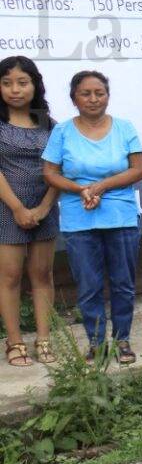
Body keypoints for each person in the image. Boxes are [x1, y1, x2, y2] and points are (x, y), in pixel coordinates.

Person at [41, 71, 142, 363]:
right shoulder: (62, 131)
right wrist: (80, 190)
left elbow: (138, 169)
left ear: (107, 95)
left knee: (123, 283)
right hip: (79, 217)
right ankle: (96, 343)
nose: (93, 98)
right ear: (74, 98)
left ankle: (122, 340)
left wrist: (101, 186)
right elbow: (49, 173)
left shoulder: (124, 127)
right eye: (85, 93)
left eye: (99, 92)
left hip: (121, 216)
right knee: (88, 285)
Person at [0, 56, 59, 367]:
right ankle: (14, 341)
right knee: (9, 277)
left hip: (45, 209)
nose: (15, 90)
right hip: (7, 209)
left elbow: (61, 168)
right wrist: (19, 208)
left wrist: (44, 207)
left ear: (35, 85)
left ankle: (44, 339)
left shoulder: (50, 125)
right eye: (7, 83)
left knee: (42, 274)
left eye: (22, 83)